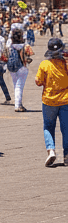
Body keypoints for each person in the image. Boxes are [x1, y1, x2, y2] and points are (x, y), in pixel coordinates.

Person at [35, 38, 68, 167]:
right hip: (65, 99)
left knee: (48, 126)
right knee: (66, 128)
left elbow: (38, 82)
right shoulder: (65, 63)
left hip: (49, 100)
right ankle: (66, 154)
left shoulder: (44, 64)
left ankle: (51, 150)